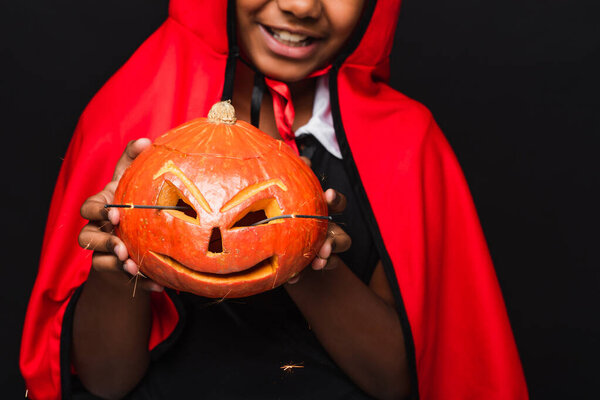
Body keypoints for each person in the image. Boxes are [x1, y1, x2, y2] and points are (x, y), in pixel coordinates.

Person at [20, 1, 528, 399]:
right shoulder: (133, 117)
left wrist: (304, 251)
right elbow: (106, 382)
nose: (302, 6)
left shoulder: (408, 141)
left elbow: (396, 380)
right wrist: (115, 273)